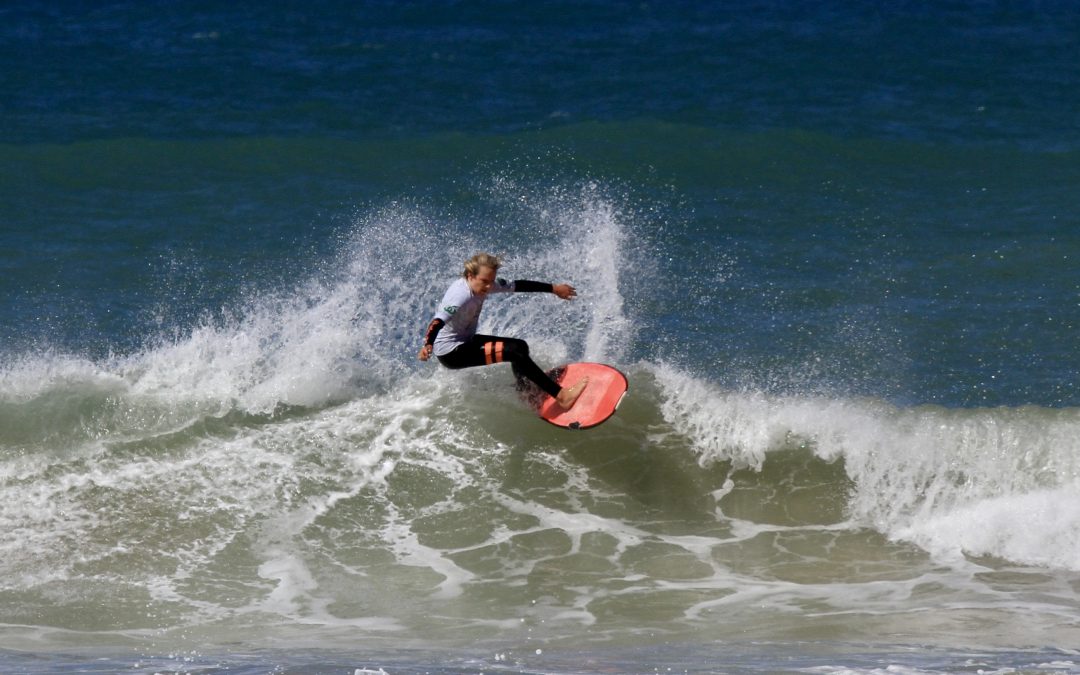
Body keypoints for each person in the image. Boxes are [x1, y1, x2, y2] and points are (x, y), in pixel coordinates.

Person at [418, 253, 588, 410]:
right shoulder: (460, 295)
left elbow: (517, 285)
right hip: (452, 352)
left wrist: (554, 288)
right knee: (514, 352)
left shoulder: (484, 284)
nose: (489, 286)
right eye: (485, 281)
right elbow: (437, 321)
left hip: (465, 341)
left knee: (520, 346)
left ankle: (526, 390)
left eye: (491, 281)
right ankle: (562, 396)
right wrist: (427, 344)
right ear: (470, 276)